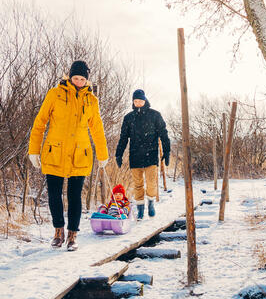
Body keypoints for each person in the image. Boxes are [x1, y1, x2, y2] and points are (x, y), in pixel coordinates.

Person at [28, 60, 108, 251]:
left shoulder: (91, 100)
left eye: (82, 79)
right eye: (75, 78)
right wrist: (33, 150)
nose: (79, 81)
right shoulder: (55, 94)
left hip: (79, 153)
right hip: (55, 151)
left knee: (74, 196)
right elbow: (40, 122)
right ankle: (58, 232)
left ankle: (72, 235)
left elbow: (97, 129)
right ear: (69, 77)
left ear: (87, 80)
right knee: (54, 194)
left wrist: (103, 154)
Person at [115, 89, 170, 219]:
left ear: (145, 100)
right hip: (135, 155)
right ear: (133, 102)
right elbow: (123, 138)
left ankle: (151, 202)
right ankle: (140, 208)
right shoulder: (128, 118)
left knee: (151, 183)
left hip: (151, 155)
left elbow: (164, 133)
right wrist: (118, 154)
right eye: (135, 101)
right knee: (138, 184)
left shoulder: (155, 115)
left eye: (140, 100)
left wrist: (167, 150)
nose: (138, 103)